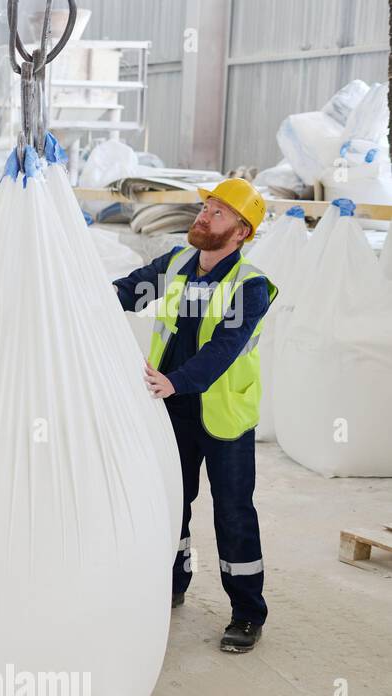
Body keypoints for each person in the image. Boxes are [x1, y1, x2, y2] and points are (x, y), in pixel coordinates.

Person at [113, 178, 277, 654]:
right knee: (170, 501)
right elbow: (129, 291)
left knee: (233, 514)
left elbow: (224, 348)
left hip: (222, 415)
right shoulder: (179, 263)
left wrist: (176, 381)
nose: (204, 216)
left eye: (219, 212)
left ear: (242, 231)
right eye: (207, 207)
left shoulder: (251, 287)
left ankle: (247, 613)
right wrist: (83, 301)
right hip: (172, 411)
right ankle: (173, 584)